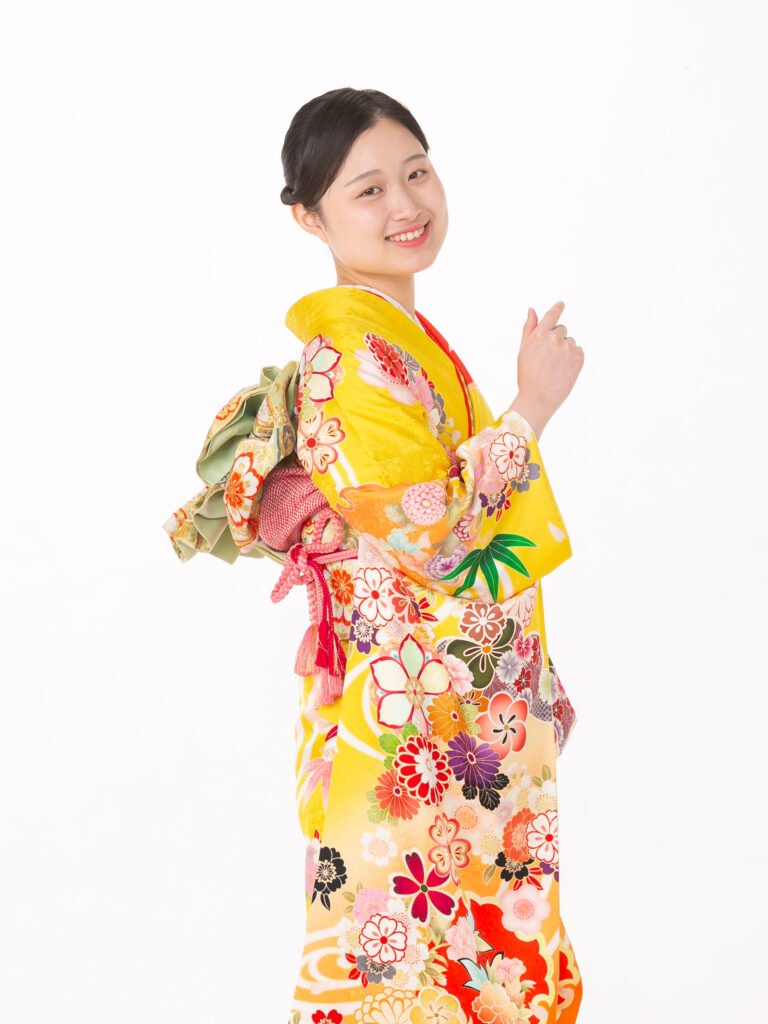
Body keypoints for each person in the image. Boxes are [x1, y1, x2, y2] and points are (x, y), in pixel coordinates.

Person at [167, 86, 585, 1024]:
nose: (406, 205)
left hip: (441, 711)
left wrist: (532, 680)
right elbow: (428, 537)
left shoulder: (398, 343)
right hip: (402, 722)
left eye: (417, 172)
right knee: (402, 964)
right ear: (307, 217)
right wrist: (530, 408)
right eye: (368, 190)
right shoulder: (350, 358)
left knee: (464, 964)